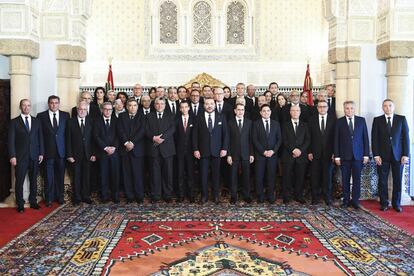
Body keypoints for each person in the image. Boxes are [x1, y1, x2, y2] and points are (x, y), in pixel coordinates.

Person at [371, 99, 410, 212]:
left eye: (390, 106)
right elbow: (375, 139)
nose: (387, 108)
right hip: (382, 156)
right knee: (382, 180)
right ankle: (384, 203)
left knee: (397, 180)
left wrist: (405, 154)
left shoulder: (401, 119)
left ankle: (396, 204)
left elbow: (406, 138)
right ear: (382, 108)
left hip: (398, 156)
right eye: (385, 106)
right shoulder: (377, 120)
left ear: (393, 107)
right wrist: (376, 155)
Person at [8, 99, 44, 213]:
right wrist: (12, 156)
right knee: (19, 181)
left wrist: (41, 153)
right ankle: (20, 204)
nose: (26, 107)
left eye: (28, 105)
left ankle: (33, 201)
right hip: (20, 157)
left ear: (30, 107)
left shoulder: (36, 121)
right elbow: (11, 141)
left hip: (34, 155)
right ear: (20, 107)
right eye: (24, 105)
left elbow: (40, 138)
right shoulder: (14, 122)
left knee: (33, 180)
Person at [334, 101, 369, 209]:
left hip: (358, 156)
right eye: (347, 108)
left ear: (355, 109)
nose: (349, 110)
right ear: (344, 109)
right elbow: (336, 140)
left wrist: (366, 155)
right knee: (345, 179)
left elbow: (365, 139)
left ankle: (355, 201)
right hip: (344, 156)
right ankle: (345, 200)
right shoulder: (339, 122)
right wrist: (337, 156)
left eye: (351, 108)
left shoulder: (361, 121)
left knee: (357, 180)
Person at [193, 98, 229, 204]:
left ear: (215, 105)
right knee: (203, 175)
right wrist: (195, 149)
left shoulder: (221, 117)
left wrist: (224, 148)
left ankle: (215, 196)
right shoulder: (198, 118)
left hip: (217, 152)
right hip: (203, 152)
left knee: (216, 175)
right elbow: (194, 135)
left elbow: (225, 134)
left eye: (211, 104)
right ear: (204, 105)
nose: (209, 106)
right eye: (207, 104)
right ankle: (204, 196)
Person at [37, 95, 69, 206]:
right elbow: (40, 136)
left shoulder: (66, 115)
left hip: (61, 152)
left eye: (56, 103)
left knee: (60, 176)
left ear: (59, 103)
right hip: (48, 152)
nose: (54, 105)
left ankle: (60, 197)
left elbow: (67, 135)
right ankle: (49, 199)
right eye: (51, 103)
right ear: (48, 103)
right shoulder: (41, 116)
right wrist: (41, 152)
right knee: (48, 176)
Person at [145, 97, 176, 203]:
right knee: (154, 174)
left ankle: (167, 195)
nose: (159, 106)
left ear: (165, 105)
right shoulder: (149, 116)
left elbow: (173, 128)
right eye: (157, 104)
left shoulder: (171, 115)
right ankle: (155, 195)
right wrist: (153, 138)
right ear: (154, 105)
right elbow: (145, 129)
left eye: (162, 104)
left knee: (168, 174)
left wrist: (162, 138)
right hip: (153, 148)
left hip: (167, 149)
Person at [66, 101, 96, 205]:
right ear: (77, 110)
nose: (82, 111)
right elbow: (68, 139)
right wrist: (69, 155)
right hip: (75, 155)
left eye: (84, 109)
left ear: (87, 111)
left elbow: (93, 139)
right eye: (80, 109)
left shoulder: (91, 121)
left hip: (88, 154)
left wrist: (93, 153)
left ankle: (85, 196)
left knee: (86, 177)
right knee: (76, 177)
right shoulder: (70, 122)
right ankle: (77, 197)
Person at [308, 100, 336, 205]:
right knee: (315, 176)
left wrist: (335, 152)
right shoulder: (312, 120)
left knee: (327, 177)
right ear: (317, 108)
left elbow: (336, 138)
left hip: (329, 154)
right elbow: (309, 137)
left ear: (327, 108)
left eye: (324, 106)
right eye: (320, 107)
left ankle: (327, 197)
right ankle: (315, 197)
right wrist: (309, 151)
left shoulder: (333, 120)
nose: (322, 108)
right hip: (315, 153)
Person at [117, 98, 146, 203]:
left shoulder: (142, 116)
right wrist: (126, 143)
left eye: (134, 105)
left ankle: (139, 196)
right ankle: (129, 196)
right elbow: (120, 131)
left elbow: (142, 131)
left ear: (137, 107)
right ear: (126, 106)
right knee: (127, 174)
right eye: (130, 105)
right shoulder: (121, 116)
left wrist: (132, 142)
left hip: (137, 149)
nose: (132, 107)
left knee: (138, 174)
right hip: (125, 150)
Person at [252, 104, 281, 203]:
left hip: (272, 155)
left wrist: (273, 151)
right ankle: (260, 196)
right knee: (259, 176)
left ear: (270, 112)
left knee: (271, 176)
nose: (266, 112)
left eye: (268, 110)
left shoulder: (276, 124)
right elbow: (254, 140)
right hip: (260, 155)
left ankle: (270, 196)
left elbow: (279, 139)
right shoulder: (256, 124)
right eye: (264, 111)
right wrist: (263, 151)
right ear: (260, 113)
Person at [281, 105, 310, 204]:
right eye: (293, 110)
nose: (295, 112)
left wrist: (300, 150)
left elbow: (307, 140)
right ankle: (287, 196)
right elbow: (284, 140)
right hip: (288, 155)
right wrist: (293, 150)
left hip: (301, 156)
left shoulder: (305, 125)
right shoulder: (285, 125)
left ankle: (299, 196)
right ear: (290, 112)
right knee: (287, 177)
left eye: (297, 110)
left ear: (300, 112)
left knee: (300, 177)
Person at [227, 103, 254, 204]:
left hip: (246, 153)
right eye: (238, 110)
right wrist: (228, 154)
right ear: (235, 111)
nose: (240, 111)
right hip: (233, 154)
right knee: (233, 176)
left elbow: (251, 140)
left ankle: (246, 195)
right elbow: (227, 140)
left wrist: (251, 154)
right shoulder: (230, 122)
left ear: (244, 111)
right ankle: (234, 195)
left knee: (246, 176)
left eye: (242, 110)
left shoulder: (249, 122)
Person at [93, 102, 120, 203]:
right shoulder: (96, 121)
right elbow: (96, 136)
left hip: (114, 152)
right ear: (102, 110)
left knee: (115, 175)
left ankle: (115, 196)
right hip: (102, 152)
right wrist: (105, 147)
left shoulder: (117, 121)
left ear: (112, 110)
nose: (107, 111)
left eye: (110, 109)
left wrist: (113, 147)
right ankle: (104, 196)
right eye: (105, 109)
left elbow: (119, 135)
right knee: (103, 175)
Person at [175, 101, 196, 202]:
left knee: (190, 174)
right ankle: (181, 195)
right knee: (180, 173)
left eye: (185, 107)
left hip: (191, 152)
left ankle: (191, 194)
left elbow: (196, 136)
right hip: (179, 151)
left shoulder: (194, 120)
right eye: (182, 107)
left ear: (189, 108)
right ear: (180, 109)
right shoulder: (176, 120)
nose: (184, 109)